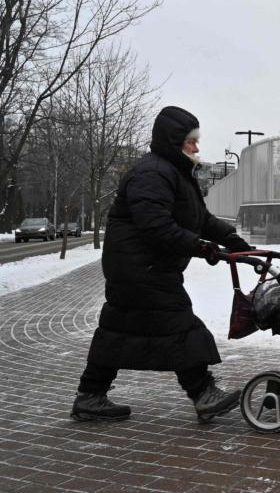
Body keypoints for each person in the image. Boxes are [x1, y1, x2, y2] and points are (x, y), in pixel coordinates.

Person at [71, 106, 253, 423]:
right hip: (141, 268)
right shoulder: (152, 173)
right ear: (172, 141)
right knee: (178, 324)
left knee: (118, 328)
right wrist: (201, 246)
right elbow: (155, 226)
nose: (196, 148)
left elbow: (200, 219)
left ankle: (90, 396)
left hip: (142, 267)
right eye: (190, 141)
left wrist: (231, 238)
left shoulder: (175, 173)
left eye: (197, 141)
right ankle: (203, 392)